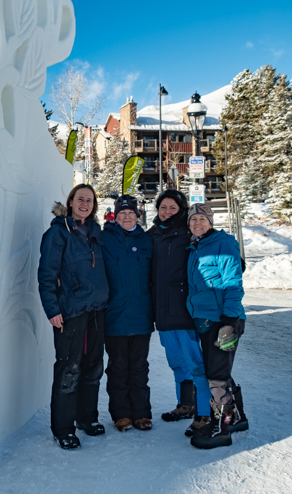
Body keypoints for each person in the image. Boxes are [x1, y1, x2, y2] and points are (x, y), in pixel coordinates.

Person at [38, 184, 109, 449]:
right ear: (70, 202)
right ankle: (63, 428)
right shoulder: (58, 232)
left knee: (93, 367)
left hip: (96, 311)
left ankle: (86, 418)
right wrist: (52, 309)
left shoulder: (96, 232)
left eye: (90, 200)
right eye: (80, 199)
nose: (85, 203)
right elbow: (46, 274)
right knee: (69, 370)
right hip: (70, 312)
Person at [147, 190, 214, 437]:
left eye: (172, 208)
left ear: (182, 209)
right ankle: (185, 405)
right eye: (163, 207)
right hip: (162, 311)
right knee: (176, 363)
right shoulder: (151, 235)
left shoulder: (191, 233)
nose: (167, 212)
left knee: (196, 363)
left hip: (186, 310)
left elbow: (219, 254)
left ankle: (205, 412)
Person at [185, 203, 248, 449]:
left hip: (225, 321)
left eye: (202, 219)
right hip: (206, 320)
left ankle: (222, 428)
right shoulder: (196, 246)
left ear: (210, 221)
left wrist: (230, 319)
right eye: (193, 220)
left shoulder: (223, 244)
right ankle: (238, 418)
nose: (197, 223)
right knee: (218, 370)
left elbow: (233, 282)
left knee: (217, 375)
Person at [101, 195, 154, 432]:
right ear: (115, 215)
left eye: (130, 213)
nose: (126, 217)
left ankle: (142, 413)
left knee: (139, 367)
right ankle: (121, 414)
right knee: (118, 367)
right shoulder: (104, 238)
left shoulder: (147, 240)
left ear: (138, 215)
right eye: (121, 213)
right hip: (114, 315)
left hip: (142, 315)